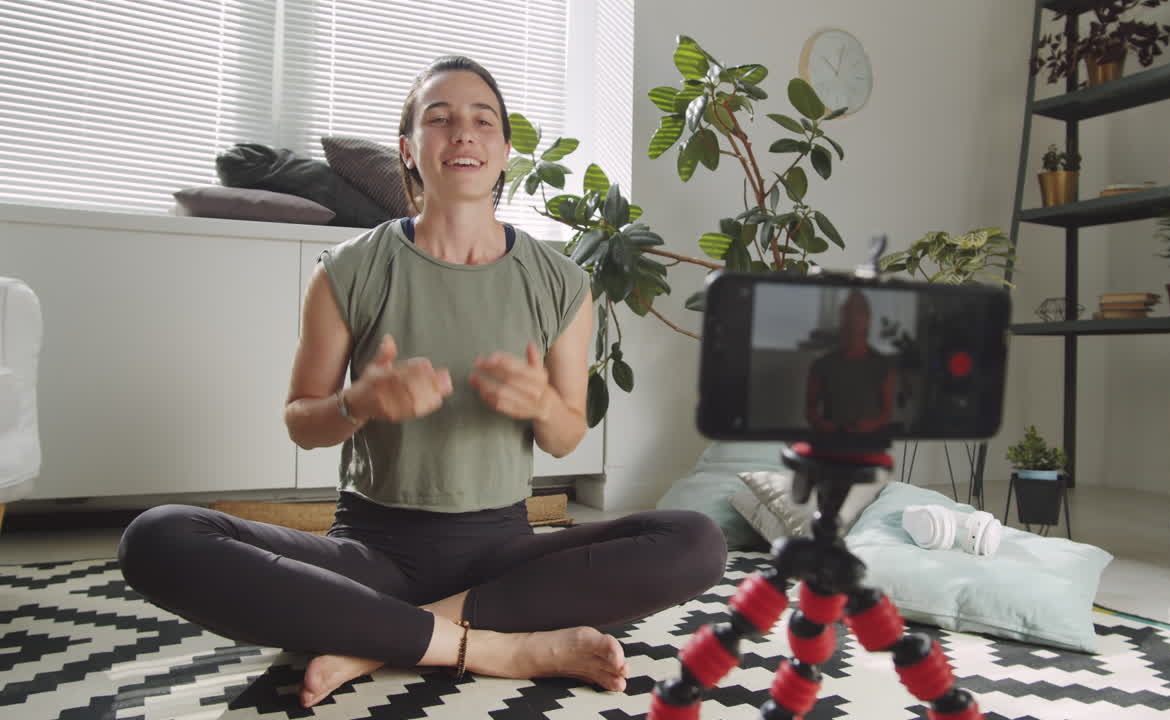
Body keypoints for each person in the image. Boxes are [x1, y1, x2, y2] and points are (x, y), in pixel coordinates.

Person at [117, 56, 727, 709]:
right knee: (158, 536)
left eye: (481, 120)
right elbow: (301, 418)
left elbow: (565, 435)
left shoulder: (563, 283)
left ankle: (381, 636)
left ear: (504, 151)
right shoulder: (349, 268)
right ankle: (497, 647)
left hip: (501, 554)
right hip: (371, 554)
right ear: (410, 151)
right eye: (439, 119)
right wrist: (358, 402)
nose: (462, 133)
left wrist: (543, 404)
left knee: (697, 541)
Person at [804, 290, 897, 433]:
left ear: (868, 318)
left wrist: (869, 426)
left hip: (869, 445)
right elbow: (810, 410)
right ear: (842, 317)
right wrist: (828, 428)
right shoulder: (822, 365)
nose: (854, 317)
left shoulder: (883, 366)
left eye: (859, 311)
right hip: (830, 445)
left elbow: (887, 413)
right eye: (848, 311)